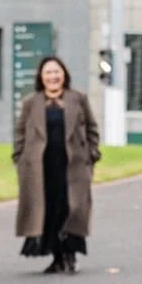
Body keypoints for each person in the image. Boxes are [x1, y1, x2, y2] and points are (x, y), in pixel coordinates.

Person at [13, 56, 100, 273]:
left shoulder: (78, 99)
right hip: (40, 169)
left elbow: (92, 129)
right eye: (48, 73)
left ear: (64, 75)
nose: (53, 77)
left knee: (71, 208)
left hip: (73, 166)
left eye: (56, 72)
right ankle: (57, 256)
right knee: (49, 210)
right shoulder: (31, 103)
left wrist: (92, 155)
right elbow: (20, 133)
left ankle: (69, 255)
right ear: (41, 78)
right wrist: (19, 158)